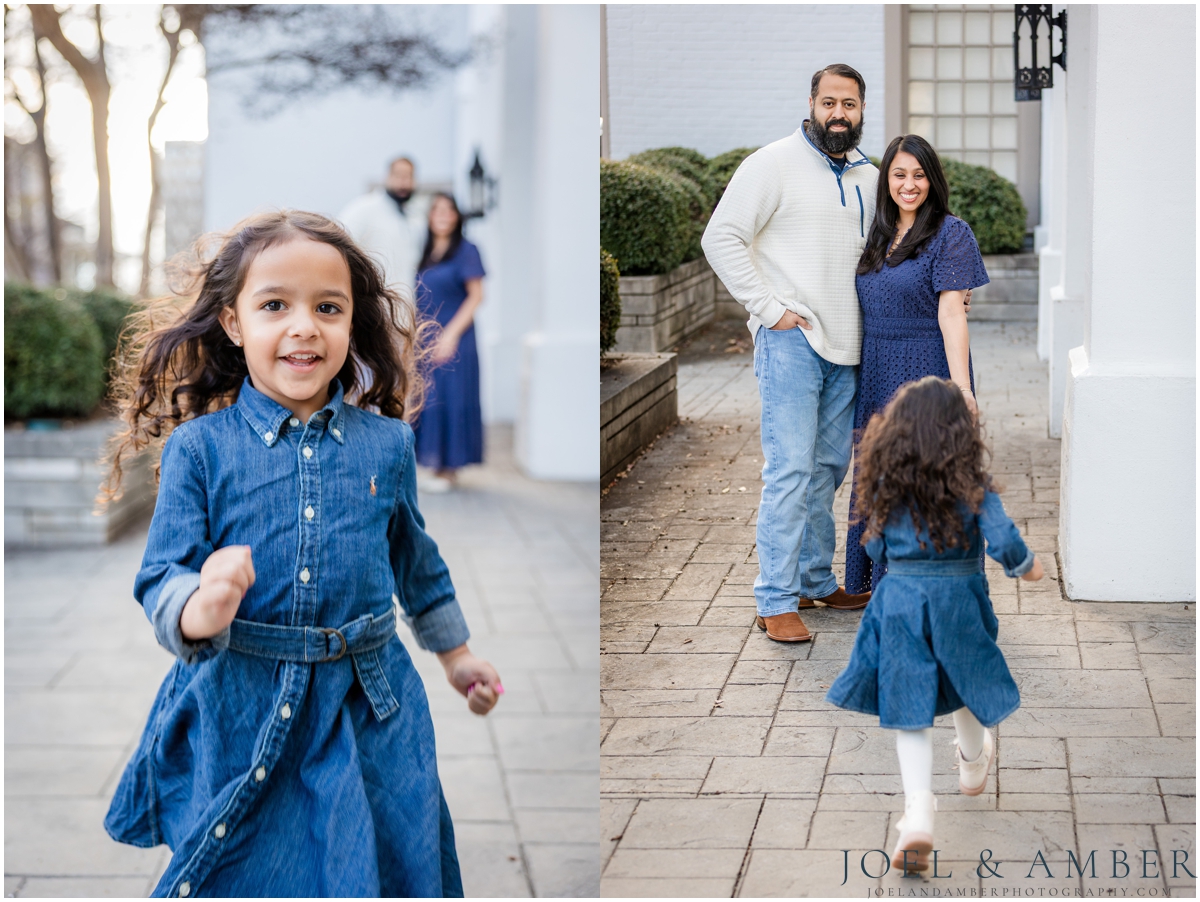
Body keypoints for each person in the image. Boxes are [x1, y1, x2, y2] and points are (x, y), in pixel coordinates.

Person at [100, 210, 502, 897]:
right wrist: (202, 606)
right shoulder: (201, 450)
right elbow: (160, 575)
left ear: (352, 322)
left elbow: (415, 561)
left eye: (327, 307)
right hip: (241, 696)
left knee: (365, 859)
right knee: (253, 868)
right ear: (233, 323)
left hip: (368, 700)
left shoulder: (388, 445)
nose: (304, 326)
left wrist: (457, 656)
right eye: (275, 305)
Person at [825, 376, 1044, 874]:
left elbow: (875, 546)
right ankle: (972, 761)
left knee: (909, 708)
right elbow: (1005, 542)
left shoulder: (886, 485)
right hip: (960, 601)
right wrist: (1028, 568)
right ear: (960, 436)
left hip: (899, 602)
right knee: (962, 679)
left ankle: (919, 812)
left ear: (897, 434)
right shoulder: (974, 489)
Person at [702, 64, 880, 643]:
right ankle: (774, 598)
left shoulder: (870, 177)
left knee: (827, 470)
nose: (838, 113)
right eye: (829, 101)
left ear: (860, 110)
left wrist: (948, 289)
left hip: (849, 345)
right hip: (792, 342)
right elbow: (720, 237)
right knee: (789, 470)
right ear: (810, 102)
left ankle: (813, 578)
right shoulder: (771, 163)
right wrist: (768, 309)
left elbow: (893, 250)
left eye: (848, 104)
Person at [845, 134, 991, 595]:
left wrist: (962, 390)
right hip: (877, 370)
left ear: (933, 179)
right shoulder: (878, 232)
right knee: (880, 475)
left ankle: (934, 590)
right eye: (900, 174)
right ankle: (884, 584)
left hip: (926, 368)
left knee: (927, 480)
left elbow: (952, 314)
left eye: (919, 175)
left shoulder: (951, 232)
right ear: (886, 178)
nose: (910, 185)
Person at [411, 193, 485, 493]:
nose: (442, 215)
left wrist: (450, 335)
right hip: (426, 337)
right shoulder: (425, 251)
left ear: (457, 216)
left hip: (456, 336)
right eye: (436, 209)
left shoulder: (468, 250)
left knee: (452, 398)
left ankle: (448, 469)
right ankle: (433, 464)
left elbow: (477, 296)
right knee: (428, 399)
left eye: (448, 210)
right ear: (429, 216)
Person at [339, 156, 429, 294]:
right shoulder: (363, 208)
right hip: (374, 302)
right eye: (399, 176)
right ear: (387, 177)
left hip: (407, 305)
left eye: (409, 177)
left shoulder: (416, 217)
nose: (404, 183)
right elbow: (340, 247)